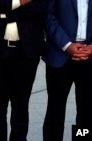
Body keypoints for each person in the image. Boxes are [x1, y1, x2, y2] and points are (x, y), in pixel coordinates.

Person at [0, 0, 45, 141]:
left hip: (26, 51)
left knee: (21, 106)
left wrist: (4, 10)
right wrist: (18, 2)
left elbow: (40, 7)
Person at [42, 1, 92, 141]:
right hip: (60, 54)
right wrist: (67, 45)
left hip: (89, 57)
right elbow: (48, 17)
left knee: (86, 112)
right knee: (55, 110)